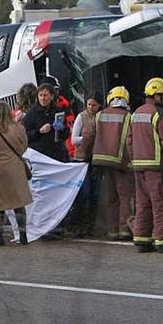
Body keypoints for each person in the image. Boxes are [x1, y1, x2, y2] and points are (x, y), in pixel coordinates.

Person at [129, 78, 163, 253]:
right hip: (158, 168)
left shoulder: (137, 112)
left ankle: (142, 239)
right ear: (157, 95)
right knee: (162, 202)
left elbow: (129, 142)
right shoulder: (161, 115)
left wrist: (134, 160)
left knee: (143, 204)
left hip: (139, 167)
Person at [90, 86, 134, 241]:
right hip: (122, 162)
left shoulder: (100, 115)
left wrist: (87, 156)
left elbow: (90, 135)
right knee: (125, 197)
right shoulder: (129, 116)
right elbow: (130, 141)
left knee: (111, 197)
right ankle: (124, 230)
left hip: (103, 161)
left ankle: (112, 230)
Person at [0, 101, 32, 246]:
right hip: (16, 169)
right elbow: (24, 146)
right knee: (18, 203)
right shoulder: (19, 128)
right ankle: (23, 235)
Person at [69, 91, 103, 236]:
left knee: (95, 194)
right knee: (84, 192)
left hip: (95, 159)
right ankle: (79, 224)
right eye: (89, 104)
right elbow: (73, 139)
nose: (91, 108)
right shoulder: (81, 117)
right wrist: (87, 138)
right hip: (82, 159)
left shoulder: (101, 117)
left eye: (94, 105)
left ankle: (91, 224)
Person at [22, 83, 70, 162]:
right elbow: (24, 135)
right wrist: (39, 131)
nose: (42, 98)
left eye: (45, 95)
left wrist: (62, 129)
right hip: (39, 156)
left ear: (52, 96)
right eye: (40, 95)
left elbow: (65, 135)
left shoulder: (58, 112)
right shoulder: (32, 114)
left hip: (56, 154)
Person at [40, 75, 76, 159]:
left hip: (64, 152)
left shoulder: (65, 107)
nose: (56, 93)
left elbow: (71, 131)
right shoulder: (37, 110)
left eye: (56, 90)